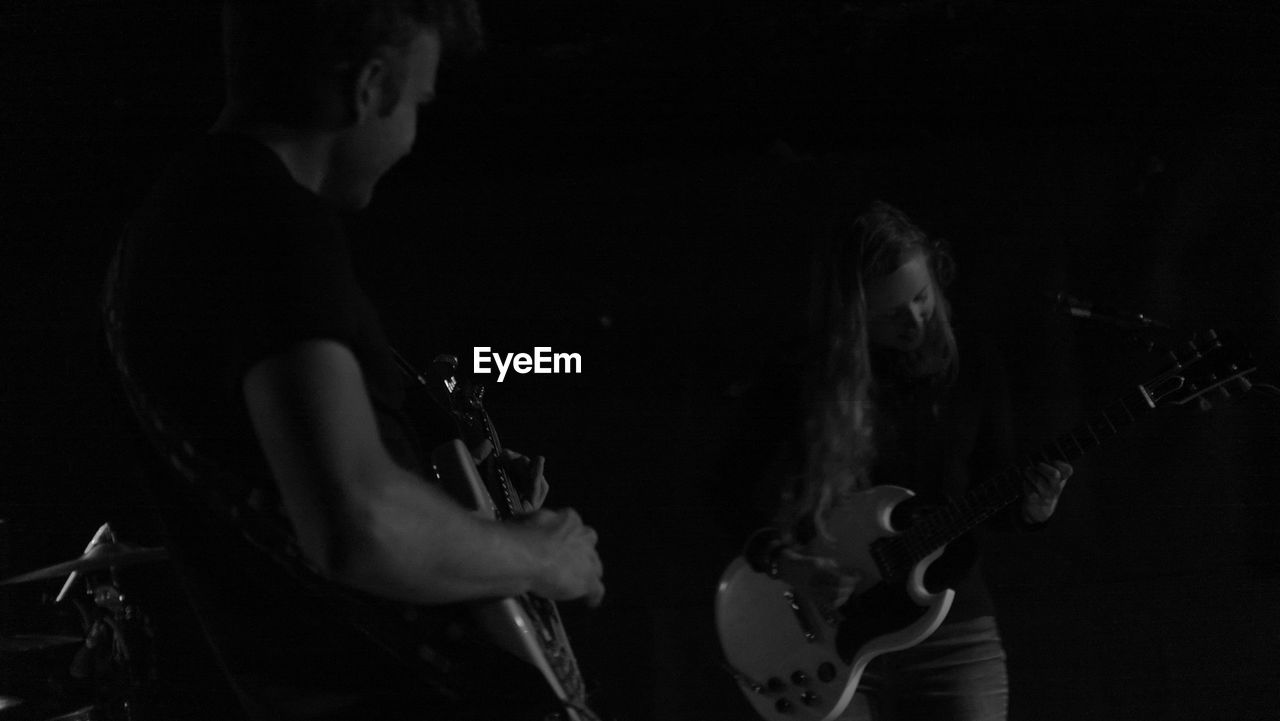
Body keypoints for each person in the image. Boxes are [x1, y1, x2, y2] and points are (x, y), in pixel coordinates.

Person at [101, 2, 604, 720]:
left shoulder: (175, 225)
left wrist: (476, 517)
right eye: (418, 103)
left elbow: (305, 492)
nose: (412, 137)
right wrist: (537, 555)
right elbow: (356, 519)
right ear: (371, 87)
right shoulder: (269, 222)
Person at [728, 200, 1070, 721]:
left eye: (921, 297)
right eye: (889, 313)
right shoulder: (798, 376)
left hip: (950, 627)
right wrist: (789, 563)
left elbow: (993, 490)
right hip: (824, 633)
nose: (913, 320)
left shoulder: (971, 361)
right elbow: (724, 489)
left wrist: (1034, 509)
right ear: (850, 314)